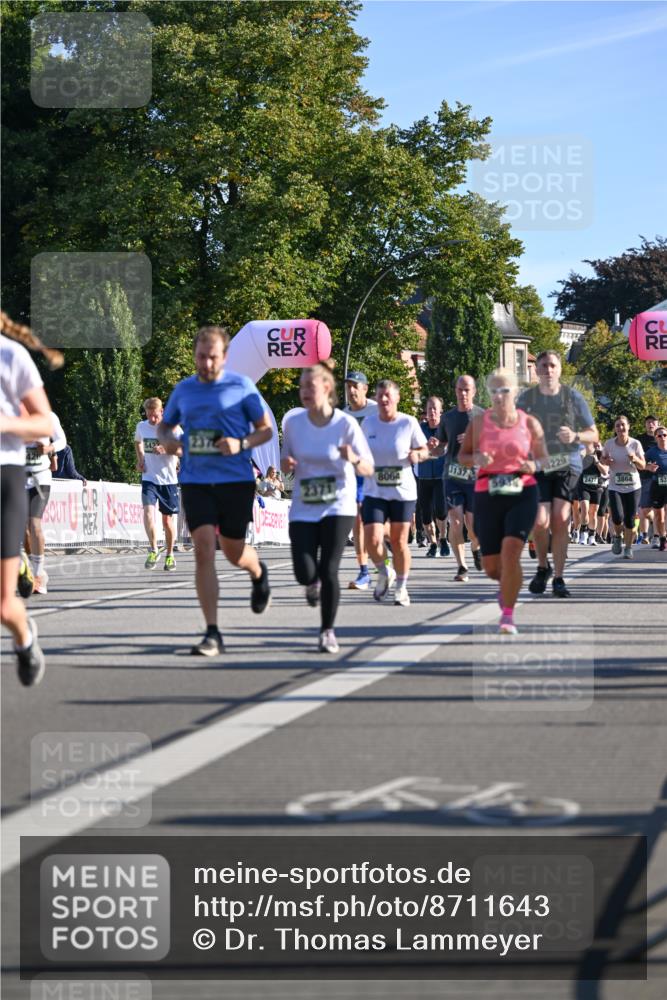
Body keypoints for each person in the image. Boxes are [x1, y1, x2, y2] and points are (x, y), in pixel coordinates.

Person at [158, 325, 273, 655]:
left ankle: (257, 570)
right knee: (204, 548)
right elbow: (166, 424)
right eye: (200, 357)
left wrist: (242, 442)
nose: (206, 364)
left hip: (235, 481)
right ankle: (212, 632)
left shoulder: (242, 387)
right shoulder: (184, 390)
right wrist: (168, 437)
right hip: (196, 480)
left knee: (234, 551)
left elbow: (264, 431)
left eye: (212, 358)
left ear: (224, 357)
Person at [282, 364, 374, 653]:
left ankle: (327, 631)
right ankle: (311, 584)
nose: (305, 392)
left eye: (311, 386)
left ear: (327, 389)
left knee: (329, 568)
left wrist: (354, 459)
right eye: (302, 387)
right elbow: (285, 460)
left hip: (339, 503)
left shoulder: (345, 424)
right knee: (303, 570)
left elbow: (369, 468)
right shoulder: (294, 424)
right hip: (304, 505)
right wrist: (287, 465)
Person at [459, 368, 548, 635]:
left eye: (505, 390)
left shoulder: (529, 423)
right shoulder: (478, 423)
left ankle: (507, 615)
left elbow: (546, 459)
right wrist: (475, 459)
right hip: (488, 492)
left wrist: (533, 463)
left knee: (511, 553)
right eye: (494, 391)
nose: (499, 396)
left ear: (515, 393)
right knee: (492, 567)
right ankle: (507, 586)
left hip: (522, 491)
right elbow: (462, 456)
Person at [1, 318, 56, 685]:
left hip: (5, 477)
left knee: (5, 606)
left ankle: (24, 638)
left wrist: (5, 425)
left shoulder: (11, 356)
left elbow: (44, 424)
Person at [518, 350, 598, 598]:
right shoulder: (527, 399)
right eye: (544, 366)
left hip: (567, 465)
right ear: (537, 370)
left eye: (553, 365)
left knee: (561, 517)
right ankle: (543, 567)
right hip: (539, 465)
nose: (548, 370)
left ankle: (559, 579)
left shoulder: (573, 397)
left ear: (560, 369)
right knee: (540, 521)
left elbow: (593, 434)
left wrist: (575, 436)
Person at [361, 379, 429, 606]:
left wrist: (417, 455)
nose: (383, 399)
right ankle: (384, 570)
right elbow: (360, 452)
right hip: (375, 490)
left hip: (402, 491)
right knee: (371, 539)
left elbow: (424, 449)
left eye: (388, 395)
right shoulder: (368, 424)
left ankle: (401, 586)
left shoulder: (408, 423)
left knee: (399, 542)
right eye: (380, 395)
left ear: (397, 398)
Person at [430, 375, 484, 582]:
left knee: (473, 525)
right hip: (451, 476)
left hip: (475, 476)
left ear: (474, 392)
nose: (463, 393)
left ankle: (476, 547)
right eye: (459, 389)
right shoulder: (448, 418)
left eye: (467, 390)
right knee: (455, 520)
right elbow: (441, 449)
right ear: (455, 391)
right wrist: (434, 448)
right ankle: (462, 567)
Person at [24, 409, 67, 594]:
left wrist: (49, 449)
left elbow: (61, 441)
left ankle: (38, 573)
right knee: (22, 530)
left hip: (40, 478)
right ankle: (30, 570)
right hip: (17, 478)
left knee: (34, 523)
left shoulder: (48, 415)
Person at [135, 397, 180, 571]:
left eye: (155, 416)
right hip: (149, 478)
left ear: (162, 412)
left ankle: (169, 555)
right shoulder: (142, 426)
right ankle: (153, 550)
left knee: (167, 521)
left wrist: (166, 448)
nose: (152, 420)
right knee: (147, 513)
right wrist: (140, 459)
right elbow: (138, 441)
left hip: (168, 480)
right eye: (149, 415)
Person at [343, 371, 379, 590]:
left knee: (376, 530)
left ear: (365, 388)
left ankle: (384, 560)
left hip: (377, 473)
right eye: (348, 386)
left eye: (356, 386)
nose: (352, 390)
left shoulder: (376, 410)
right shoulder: (343, 415)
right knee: (358, 521)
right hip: (354, 476)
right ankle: (364, 571)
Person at [601, 416, 646, 559]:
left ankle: (628, 548)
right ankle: (617, 536)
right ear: (615, 429)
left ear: (628, 426)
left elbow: (643, 466)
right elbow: (602, 459)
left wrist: (635, 459)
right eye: (617, 426)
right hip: (615, 486)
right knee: (617, 517)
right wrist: (606, 461)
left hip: (633, 487)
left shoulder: (635, 444)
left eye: (623, 425)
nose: (620, 428)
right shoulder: (609, 444)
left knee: (630, 520)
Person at [415, 396, 448, 559]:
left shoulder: (446, 428)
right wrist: (425, 447)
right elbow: (412, 448)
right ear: (425, 413)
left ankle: (443, 538)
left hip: (441, 476)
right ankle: (433, 543)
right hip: (424, 476)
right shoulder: (419, 429)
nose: (432, 412)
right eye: (429, 409)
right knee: (426, 514)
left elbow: (454, 448)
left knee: (441, 512)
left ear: (441, 412)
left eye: (435, 409)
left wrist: (442, 446)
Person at [574, 443, 608, 545]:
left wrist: (596, 461)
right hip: (583, 486)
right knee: (584, 508)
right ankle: (583, 534)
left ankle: (592, 536)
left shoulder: (600, 455)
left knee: (594, 512)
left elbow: (605, 471)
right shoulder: (580, 455)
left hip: (596, 487)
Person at [637, 415, 658, 544]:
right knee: (644, 510)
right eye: (648, 422)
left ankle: (655, 536)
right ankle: (648, 530)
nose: (650, 424)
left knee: (659, 509)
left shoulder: (662, 439)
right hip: (644, 477)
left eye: (653, 422)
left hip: (660, 478)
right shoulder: (639, 440)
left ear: (657, 424)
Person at [645, 426, 667, 550]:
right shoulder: (651, 452)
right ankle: (662, 537)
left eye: (665, 435)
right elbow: (640, 464)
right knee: (659, 515)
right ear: (656, 437)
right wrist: (648, 467)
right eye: (659, 435)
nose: (662, 437)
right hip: (657, 485)